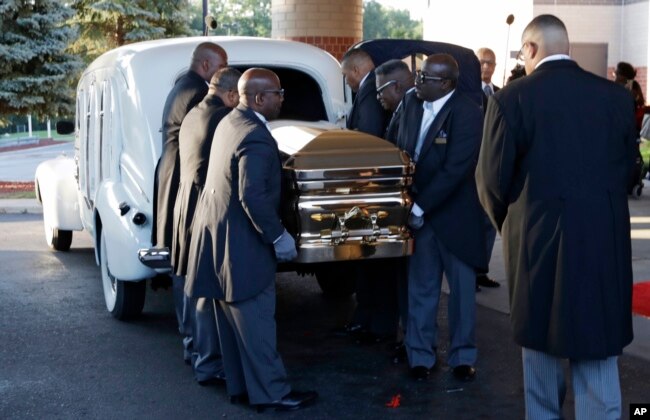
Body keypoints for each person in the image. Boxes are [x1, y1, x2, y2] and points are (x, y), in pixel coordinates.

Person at [476, 15, 636, 419]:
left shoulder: (511, 98)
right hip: (603, 242)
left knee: (541, 350)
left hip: (536, 245)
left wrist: (512, 227)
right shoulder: (614, 97)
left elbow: (492, 180)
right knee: (598, 351)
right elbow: (630, 169)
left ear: (530, 49)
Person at [185, 68, 318, 412]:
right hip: (243, 244)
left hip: (217, 237)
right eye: (278, 93)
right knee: (257, 323)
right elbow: (253, 196)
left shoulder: (230, 121)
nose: (282, 98)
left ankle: (241, 388)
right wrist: (278, 237)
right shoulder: (256, 136)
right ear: (259, 98)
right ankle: (272, 392)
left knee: (232, 324)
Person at [396, 54, 487, 382]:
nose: (417, 82)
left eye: (425, 78)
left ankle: (463, 357)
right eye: (419, 75)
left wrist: (420, 207)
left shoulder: (467, 112)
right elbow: (397, 147)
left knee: (462, 292)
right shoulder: (411, 103)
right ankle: (420, 355)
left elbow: (456, 169)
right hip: (418, 211)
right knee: (421, 287)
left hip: (454, 215)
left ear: (446, 83)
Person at [154, 42, 227, 365]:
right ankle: (195, 342)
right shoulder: (199, 92)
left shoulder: (181, 84)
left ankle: (189, 340)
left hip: (171, 173)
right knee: (188, 262)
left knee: (180, 258)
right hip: (185, 178)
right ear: (208, 65)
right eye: (222, 67)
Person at [172, 67, 241, 385]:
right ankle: (209, 363)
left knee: (191, 283)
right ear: (231, 94)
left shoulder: (195, 111)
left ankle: (194, 351)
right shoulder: (221, 119)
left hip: (186, 201)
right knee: (206, 290)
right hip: (204, 203)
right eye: (239, 98)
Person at [339, 48, 393, 344]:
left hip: (370, 188)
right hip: (371, 188)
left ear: (357, 70)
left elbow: (368, 140)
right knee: (369, 261)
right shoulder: (372, 88)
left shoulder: (370, 91)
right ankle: (367, 319)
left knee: (373, 261)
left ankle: (376, 323)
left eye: (346, 75)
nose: (346, 82)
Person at [374, 58, 414, 363]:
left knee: (413, 282)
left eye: (381, 92)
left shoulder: (413, 110)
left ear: (397, 86)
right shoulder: (402, 110)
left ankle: (412, 339)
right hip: (402, 210)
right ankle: (407, 336)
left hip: (411, 210)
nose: (379, 98)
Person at [475, 47, 501, 291]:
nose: (485, 67)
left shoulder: (501, 95)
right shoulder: (467, 95)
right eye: (481, 62)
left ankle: (481, 271)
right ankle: (467, 274)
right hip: (471, 171)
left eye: (490, 63)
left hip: (493, 171)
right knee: (471, 224)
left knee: (488, 224)